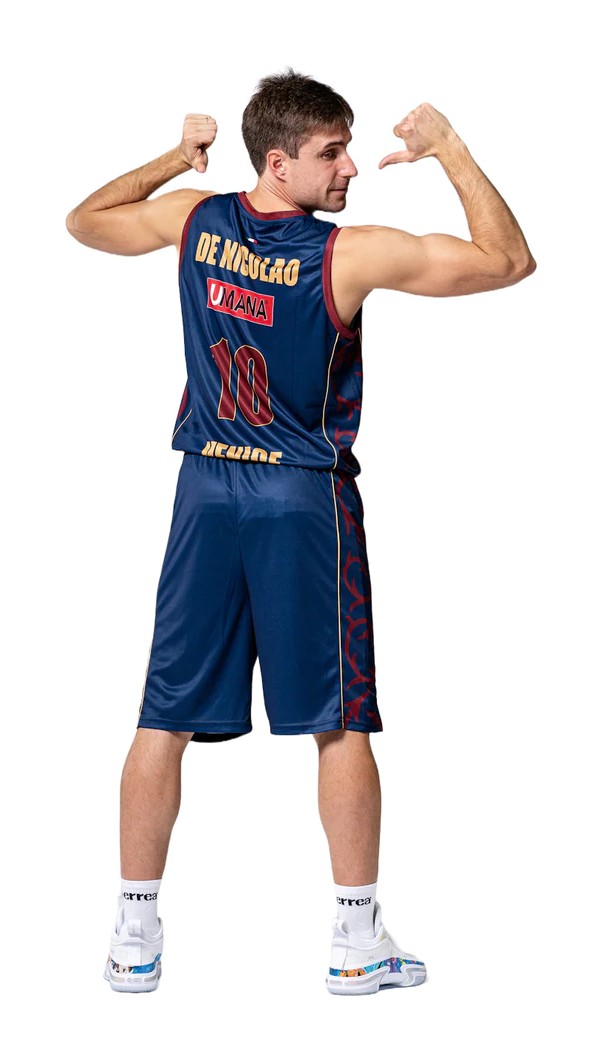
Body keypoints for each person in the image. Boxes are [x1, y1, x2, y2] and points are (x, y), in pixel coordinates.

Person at [66, 68, 536, 997]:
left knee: (163, 715)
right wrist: (448, 146)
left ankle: (132, 937)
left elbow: (86, 221)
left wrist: (177, 159)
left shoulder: (193, 222)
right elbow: (507, 260)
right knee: (339, 718)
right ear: (278, 164)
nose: (351, 167)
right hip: (299, 499)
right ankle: (357, 942)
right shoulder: (345, 256)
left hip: (205, 489)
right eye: (332, 153)